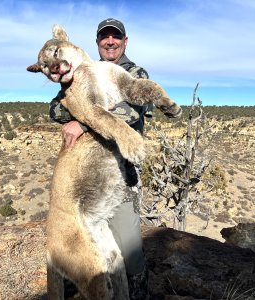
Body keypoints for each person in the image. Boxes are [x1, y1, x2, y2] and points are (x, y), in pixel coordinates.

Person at [49, 18, 152, 300]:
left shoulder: (135, 72)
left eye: (115, 37)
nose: (110, 41)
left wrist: (83, 122)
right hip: (85, 175)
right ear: (97, 43)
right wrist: (78, 102)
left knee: (128, 253)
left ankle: (137, 295)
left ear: (125, 41)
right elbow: (56, 110)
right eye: (104, 37)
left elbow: (133, 112)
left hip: (120, 174)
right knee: (85, 249)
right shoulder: (84, 72)